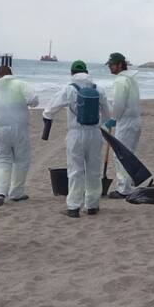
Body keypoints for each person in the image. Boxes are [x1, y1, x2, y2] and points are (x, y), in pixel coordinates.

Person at [43, 60, 110, 218]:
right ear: (87, 72)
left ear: (72, 73)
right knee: (93, 171)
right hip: (94, 133)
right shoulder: (99, 89)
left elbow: (50, 109)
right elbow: (108, 114)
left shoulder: (69, 89)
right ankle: (92, 205)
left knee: (75, 171)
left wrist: (46, 118)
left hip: (76, 133)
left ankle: (73, 207)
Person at [0, 65, 40, 206]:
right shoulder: (20, 84)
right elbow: (34, 100)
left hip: (0, 129)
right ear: (11, 73)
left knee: (0, 160)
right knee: (21, 160)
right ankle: (16, 192)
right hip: (19, 128)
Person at [104, 52, 142, 198]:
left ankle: (124, 188)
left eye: (112, 65)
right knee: (128, 153)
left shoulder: (121, 81)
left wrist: (114, 118)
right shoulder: (131, 79)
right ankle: (129, 183)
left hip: (126, 122)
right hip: (134, 120)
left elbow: (119, 103)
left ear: (120, 64)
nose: (110, 68)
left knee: (120, 154)